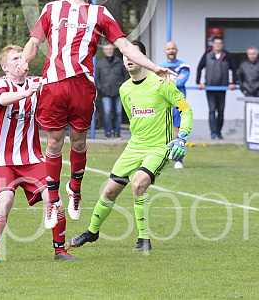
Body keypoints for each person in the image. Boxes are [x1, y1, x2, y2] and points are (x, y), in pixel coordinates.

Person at [17, 0, 175, 230]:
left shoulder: (100, 13)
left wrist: (153, 66)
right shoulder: (52, 9)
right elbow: (35, 42)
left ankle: (74, 189)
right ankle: (52, 200)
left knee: (78, 142)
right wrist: (23, 61)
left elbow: (125, 45)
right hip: (54, 84)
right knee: (54, 143)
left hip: (82, 86)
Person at [66, 41, 192, 252]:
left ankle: (144, 240)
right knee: (109, 191)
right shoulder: (124, 89)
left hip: (159, 147)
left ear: (143, 58)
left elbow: (186, 110)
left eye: (132, 55)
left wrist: (182, 137)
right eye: (125, 56)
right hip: (134, 147)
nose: (128, 59)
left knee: (138, 183)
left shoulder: (161, 82)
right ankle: (92, 231)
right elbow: (133, 119)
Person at [0, 45, 78, 262]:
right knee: (5, 200)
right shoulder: (1, 82)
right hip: (1, 159)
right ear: (5, 67)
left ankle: (60, 250)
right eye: (15, 58)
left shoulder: (38, 83)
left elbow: (61, 85)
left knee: (55, 200)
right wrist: (25, 93)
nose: (20, 61)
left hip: (32, 158)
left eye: (22, 57)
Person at [196, 36, 237, 140]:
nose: (218, 45)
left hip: (222, 88)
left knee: (221, 111)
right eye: (216, 43)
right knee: (211, 110)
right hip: (210, 88)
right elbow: (199, 68)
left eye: (220, 43)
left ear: (222, 45)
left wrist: (233, 82)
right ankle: (213, 132)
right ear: (212, 44)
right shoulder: (207, 55)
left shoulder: (227, 55)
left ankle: (219, 132)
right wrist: (198, 82)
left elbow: (234, 69)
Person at [160, 41, 191, 169]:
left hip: (178, 102)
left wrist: (167, 80)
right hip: (163, 102)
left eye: (173, 48)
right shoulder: (160, 66)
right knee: (163, 130)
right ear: (164, 51)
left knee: (178, 130)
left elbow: (181, 81)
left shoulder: (183, 65)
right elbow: (158, 83)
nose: (171, 51)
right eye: (168, 49)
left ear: (176, 50)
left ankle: (179, 160)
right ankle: (164, 157)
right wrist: (174, 79)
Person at [94, 43, 129, 139]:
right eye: (106, 49)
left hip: (118, 92)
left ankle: (117, 133)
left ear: (113, 50)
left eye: (110, 49)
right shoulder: (99, 63)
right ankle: (108, 133)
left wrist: (122, 87)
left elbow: (126, 75)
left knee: (118, 113)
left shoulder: (119, 62)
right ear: (104, 51)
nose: (109, 51)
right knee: (107, 113)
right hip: (106, 93)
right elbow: (97, 78)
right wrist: (101, 89)